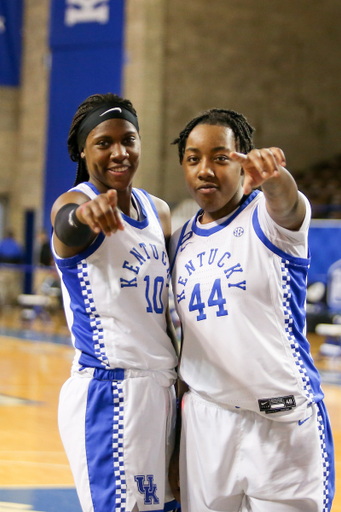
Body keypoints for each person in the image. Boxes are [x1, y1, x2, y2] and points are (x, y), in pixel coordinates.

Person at [169, 108, 334, 512]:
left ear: (243, 161)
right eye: (193, 159)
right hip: (206, 423)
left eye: (220, 157)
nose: (205, 169)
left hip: (281, 425)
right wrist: (175, 445)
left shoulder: (269, 218)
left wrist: (275, 178)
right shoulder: (178, 240)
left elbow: (288, 202)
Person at [50, 93, 179, 512]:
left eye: (129, 139)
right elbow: (67, 228)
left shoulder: (156, 211)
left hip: (164, 391)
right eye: (104, 143)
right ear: (83, 151)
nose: (119, 152)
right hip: (111, 393)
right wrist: (85, 216)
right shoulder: (74, 203)